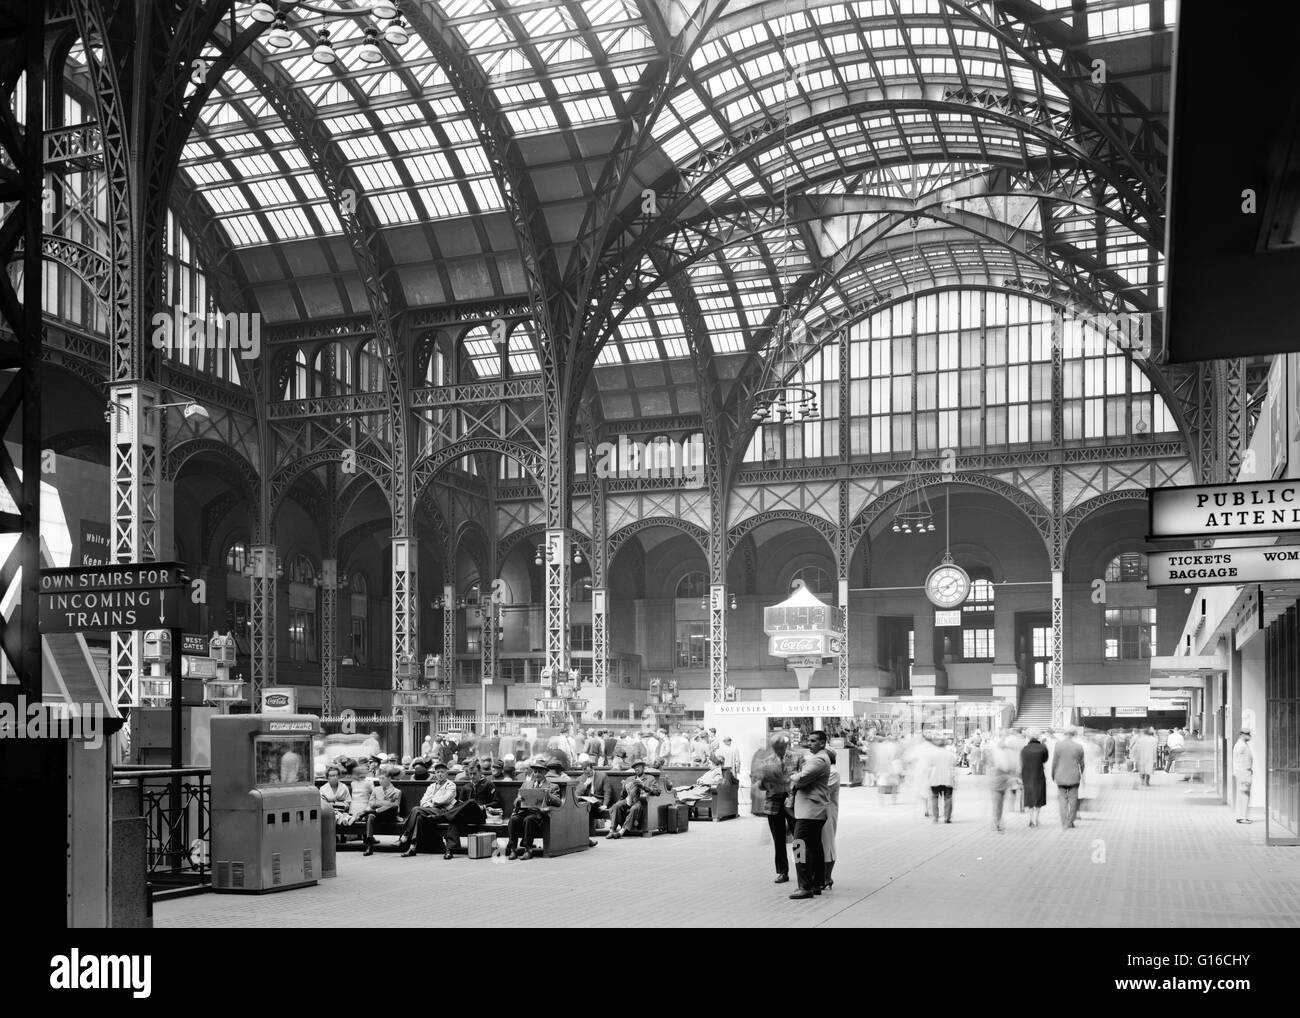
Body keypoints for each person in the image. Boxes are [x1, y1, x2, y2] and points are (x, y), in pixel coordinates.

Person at [396, 760, 485, 859]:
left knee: (416, 809)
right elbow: (423, 801)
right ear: (435, 774)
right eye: (438, 772)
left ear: (446, 773)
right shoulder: (431, 787)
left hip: (443, 811)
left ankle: (405, 835)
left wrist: (432, 802)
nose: (440, 774)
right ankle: (412, 847)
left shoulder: (451, 785)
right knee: (418, 815)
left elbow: (445, 799)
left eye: (442, 772)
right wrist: (432, 804)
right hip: (433, 811)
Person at [788, 729, 831, 900]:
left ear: (822, 742)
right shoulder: (818, 758)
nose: (809, 743)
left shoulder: (820, 759)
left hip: (809, 810)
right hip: (812, 809)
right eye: (809, 740)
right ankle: (816, 883)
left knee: (798, 845)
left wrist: (792, 775)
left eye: (813, 741)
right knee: (814, 847)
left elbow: (801, 778)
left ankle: (804, 885)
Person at [757, 734, 797, 883]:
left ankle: (803, 869)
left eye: (780, 746)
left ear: (786, 745)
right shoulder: (766, 762)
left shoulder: (797, 758)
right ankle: (782, 871)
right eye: (775, 747)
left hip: (793, 804)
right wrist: (764, 781)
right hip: (773, 805)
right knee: (778, 840)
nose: (777, 749)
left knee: (799, 839)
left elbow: (803, 779)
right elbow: (761, 786)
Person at [506, 756, 563, 859]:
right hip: (524, 812)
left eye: (540, 772)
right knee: (514, 819)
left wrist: (548, 795)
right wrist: (519, 800)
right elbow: (515, 803)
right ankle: (513, 849)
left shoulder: (552, 786)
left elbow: (559, 802)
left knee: (529, 819)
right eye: (535, 772)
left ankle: (528, 850)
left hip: (539, 815)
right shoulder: (526, 784)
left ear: (545, 773)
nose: (537, 774)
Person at [608, 759, 661, 838]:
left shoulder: (650, 778)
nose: (636, 769)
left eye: (638, 767)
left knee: (634, 808)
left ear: (643, 768)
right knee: (616, 806)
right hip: (628, 800)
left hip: (641, 802)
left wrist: (643, 786)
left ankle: (621, 832)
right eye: (635, 767)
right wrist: (624, 788)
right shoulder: (629, 778)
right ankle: (612, 830)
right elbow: (623, 795)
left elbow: (657, 792)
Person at [363, 764, 403, 855]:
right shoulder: (376, 790)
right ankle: (369, 844)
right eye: (379, 778)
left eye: (383, 778)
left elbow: (395, 806)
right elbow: (371, 803)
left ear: (389, 778)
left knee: (391, 807)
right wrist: (385, 803)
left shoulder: (397, 791)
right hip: (377, 815)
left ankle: (374, 812)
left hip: (390, 815)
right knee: (370, 816)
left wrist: (379, 804)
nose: (380, 781)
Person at [1051, 727, 1086, 829]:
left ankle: (1064, 822)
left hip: (1060, 776)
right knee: (1073, 800)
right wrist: (1081, 774)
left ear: (1064, 734)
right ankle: (1070, 822)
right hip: (1074, 777)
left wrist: (1053, 774)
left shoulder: (1058, 745)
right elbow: (1082, 764)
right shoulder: (1078, 747)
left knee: (1062, 800)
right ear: (1073, 734)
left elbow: (1055, 762)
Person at [988, 737, 1019, 832]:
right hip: (998, 782)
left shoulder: (1000, 754)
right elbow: (1005, 767)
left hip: (1000, 782)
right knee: (998, 803)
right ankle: (997, 822)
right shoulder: (999, 754)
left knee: (998, 803)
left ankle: (997, 821)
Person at [1020, 731, 1049, 828]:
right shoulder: (1042, 748)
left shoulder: (1024, 749)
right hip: (1039, 775)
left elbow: (1022, 762)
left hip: (1027, 776)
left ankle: (1031, 819)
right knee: (1039, 797)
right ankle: (1036, 819)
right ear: (1038, 738)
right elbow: (1045, 759)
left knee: (1029, 797)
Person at [822, 747, 841, 891]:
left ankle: (827, 876)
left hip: (826, 813)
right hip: (807, 813)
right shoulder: (821, 771)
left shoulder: (833, 772)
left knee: (827, 844)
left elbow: (820, 789)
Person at [927, 736, 957, 824]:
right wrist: (954, 779)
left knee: (934, 798)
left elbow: (929, 767)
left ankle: (935, 818)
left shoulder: (932, 754)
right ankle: (947, 818)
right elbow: (953, 766)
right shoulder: (950, 754)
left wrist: (928, 778)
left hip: (935, 778)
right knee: (948, 798)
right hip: (947, 778)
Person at [320, 765, 352, 831]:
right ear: (327, 777)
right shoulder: (323, 789)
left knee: (345, 817)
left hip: (342, 812)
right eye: (331, 776)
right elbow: (323, 804)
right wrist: (339, 803)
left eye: (335, 775)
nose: (333, 777)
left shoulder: (344, 787)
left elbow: (348, 801)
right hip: (328, 813)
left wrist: (333, 803)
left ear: (338, 776)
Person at [1233, 730, 1255, 824]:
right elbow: (1239, 761)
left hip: (1243, 772)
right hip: (1244, 773)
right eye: (1247, 734)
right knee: (1244, 795)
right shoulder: (1241, 746)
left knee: (1242, 795)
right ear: (1242, 735)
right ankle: (1243, 818)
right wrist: (1243, 774)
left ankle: (1241, 816)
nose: (1249, 736)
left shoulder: (1242, 744)